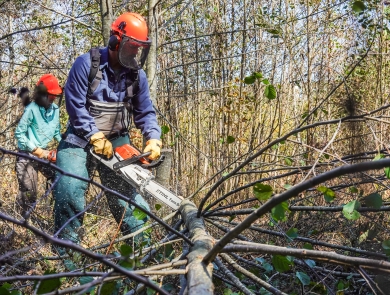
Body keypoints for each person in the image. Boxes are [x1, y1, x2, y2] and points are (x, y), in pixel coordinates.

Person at [53, 12, 162, 247]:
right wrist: (93, 135)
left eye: (139, 48)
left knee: (130, 199)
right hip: (80, 138)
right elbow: (75, 106)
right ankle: (66, 250)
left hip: (117, 140)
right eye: (132, 46)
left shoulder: (137, 75)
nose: (135, 52)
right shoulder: (86, 65)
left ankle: (143, 249)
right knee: (69, 187)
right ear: (116, 41)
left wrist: (153, 138)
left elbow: (145, 111)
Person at [14, 74, 62, 215]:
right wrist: (36, 150)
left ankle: (56, 213)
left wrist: (63, 146)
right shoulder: (31, 109)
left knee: (60, 179)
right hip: (27, 154)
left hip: (45, 153)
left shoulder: (55, 110)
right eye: (50, 94)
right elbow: (19, 134)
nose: (53, 98)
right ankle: (23, 221)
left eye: (54, 95)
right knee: (30, 192)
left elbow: (57, 133)